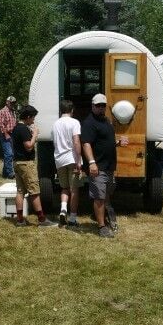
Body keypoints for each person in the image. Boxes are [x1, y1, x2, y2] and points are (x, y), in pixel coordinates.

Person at [81, 93, 127, 238]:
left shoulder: (106, 121)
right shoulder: (89, 123)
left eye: (103, 106)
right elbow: (86, 143)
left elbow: (105, 141)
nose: (101, 108)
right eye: (98, 106)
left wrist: (118, 143)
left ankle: (101, 217)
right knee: (99, 197)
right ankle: (101, 227)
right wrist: (92, 163)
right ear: (93, 106)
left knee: (106, 195)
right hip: (98, 166)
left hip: (109, 166)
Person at [11, 105, 57, 227]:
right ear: (28, 117)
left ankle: (20, 220)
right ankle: (42, 220)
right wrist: (35, 134)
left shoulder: (16, 128)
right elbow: (29, 146)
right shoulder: (23, 129)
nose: (33, 120)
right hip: (26, 164)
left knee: (20, 191)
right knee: (34, 192)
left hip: (17, 162)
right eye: (33, 118)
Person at [51, 99, 83, 227]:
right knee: (74, 189)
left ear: (60, 110)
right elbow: (76, 142)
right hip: (72, 158)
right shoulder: (74, 122)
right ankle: (73, 219)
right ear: (72, 110)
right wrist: (79, 159)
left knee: (64, 187)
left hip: (59, 159)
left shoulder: (55, 124)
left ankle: (63, 209)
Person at [0, 95, 17, 179]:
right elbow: (1, 125)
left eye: (14, 103)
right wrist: (6, 134)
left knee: (10, 154)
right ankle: (10, 173)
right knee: (9, 154)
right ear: (7, 102)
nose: (12, 104)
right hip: (5, 134)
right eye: (11, 102)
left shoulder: (13, 112)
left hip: (12, 134)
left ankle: (5, 173)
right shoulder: (2, 111)